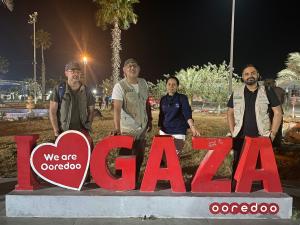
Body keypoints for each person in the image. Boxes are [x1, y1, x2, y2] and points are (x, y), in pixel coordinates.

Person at [227, 64, 282, 189]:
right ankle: (236, 196)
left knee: (265, 171)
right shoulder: (236, 92)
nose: (250, 75)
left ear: (257, 75)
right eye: (246, 74)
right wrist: (232, 131)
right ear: (242, 77)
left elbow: (278, 112)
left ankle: (266, 199)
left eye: (253, 73)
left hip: (261, 137)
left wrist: (272, 134)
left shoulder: (267, 91)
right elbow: (229, 112)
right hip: (241, 138)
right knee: (238, 168)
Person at [111, 58, 152, 183]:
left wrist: (149, 119)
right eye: (129, 66)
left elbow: (146, 103)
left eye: (134, 66)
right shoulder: (120, 86)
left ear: (139, 69)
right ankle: (120, 181)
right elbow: (117, 109)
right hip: (128, 128)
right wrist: (117, 128)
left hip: (142, 127)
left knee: (139, 156)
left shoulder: (143, 83)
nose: (132, 68)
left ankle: (134, 180)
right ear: (124, 70)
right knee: (125, 155)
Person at [158, 76, 200, 155]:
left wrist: (192, 126)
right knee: (164, 156)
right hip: (164, 131)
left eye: (174, 84)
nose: (171, 86)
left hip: (178, 131)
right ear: (166, 85)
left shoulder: (182, 98)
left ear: (177, 86)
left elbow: (187, 113)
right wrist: (160, 127)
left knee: (173, 156)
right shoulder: (163, 99)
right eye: (169, 84)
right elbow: (161, 115)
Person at [264, 78, 285, 149]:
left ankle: (271, 144)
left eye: (269, 83)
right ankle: (276, 144)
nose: (268, 84)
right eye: (267, 83)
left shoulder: (265, 90)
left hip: (270, 110)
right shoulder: (280, 90)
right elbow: (282, 101)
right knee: (277, 127)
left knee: (269, 126)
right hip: (276, 110)